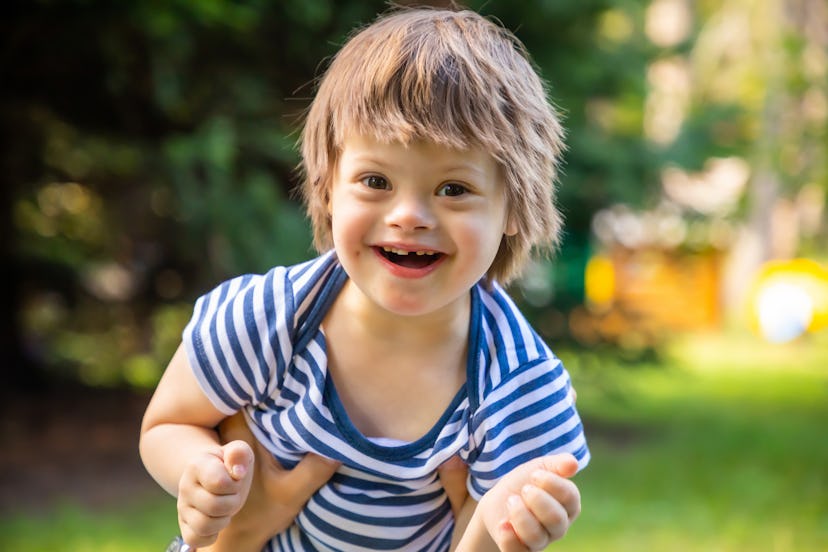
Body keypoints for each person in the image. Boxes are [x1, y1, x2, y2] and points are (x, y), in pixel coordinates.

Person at [140, 5, 590, 551]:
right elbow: (165, 425)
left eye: (453, 189)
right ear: (329, 188)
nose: (409, 216)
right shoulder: (267, 318)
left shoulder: (517, 385)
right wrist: (198, 473)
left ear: (513, 207)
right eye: (376, 180)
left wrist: (505, 529)